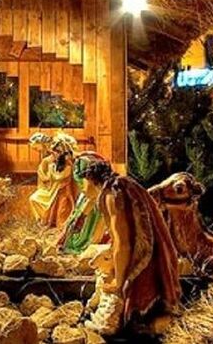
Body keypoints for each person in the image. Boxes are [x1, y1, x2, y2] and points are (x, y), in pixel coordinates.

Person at [80, 161, 180, 323]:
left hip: (142, 258)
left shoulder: (112, 195)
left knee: (117, 299)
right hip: (148, 250)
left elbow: (123, 244)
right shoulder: (121, 185)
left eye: (85, 185)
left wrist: (118, 283)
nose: (83, 190)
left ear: (92, 181)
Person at [58, 151, 110, 254]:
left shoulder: (82, 163)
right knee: (72, 224)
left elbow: (91, 192)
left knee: (85, 227)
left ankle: (83, 246)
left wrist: (82, 216)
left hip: (91, 198)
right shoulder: (79, 161)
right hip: (86, 197)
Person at [29, 133, 78, 228]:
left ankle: (47, 220)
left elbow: (60, 176)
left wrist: (50, 172)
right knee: (34, 198)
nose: (37, 151)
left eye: (37, 148)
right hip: (52, 188)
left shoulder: (63, 162)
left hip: (60, 190)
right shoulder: (49, 160)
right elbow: (46, 176)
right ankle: (42, 220)